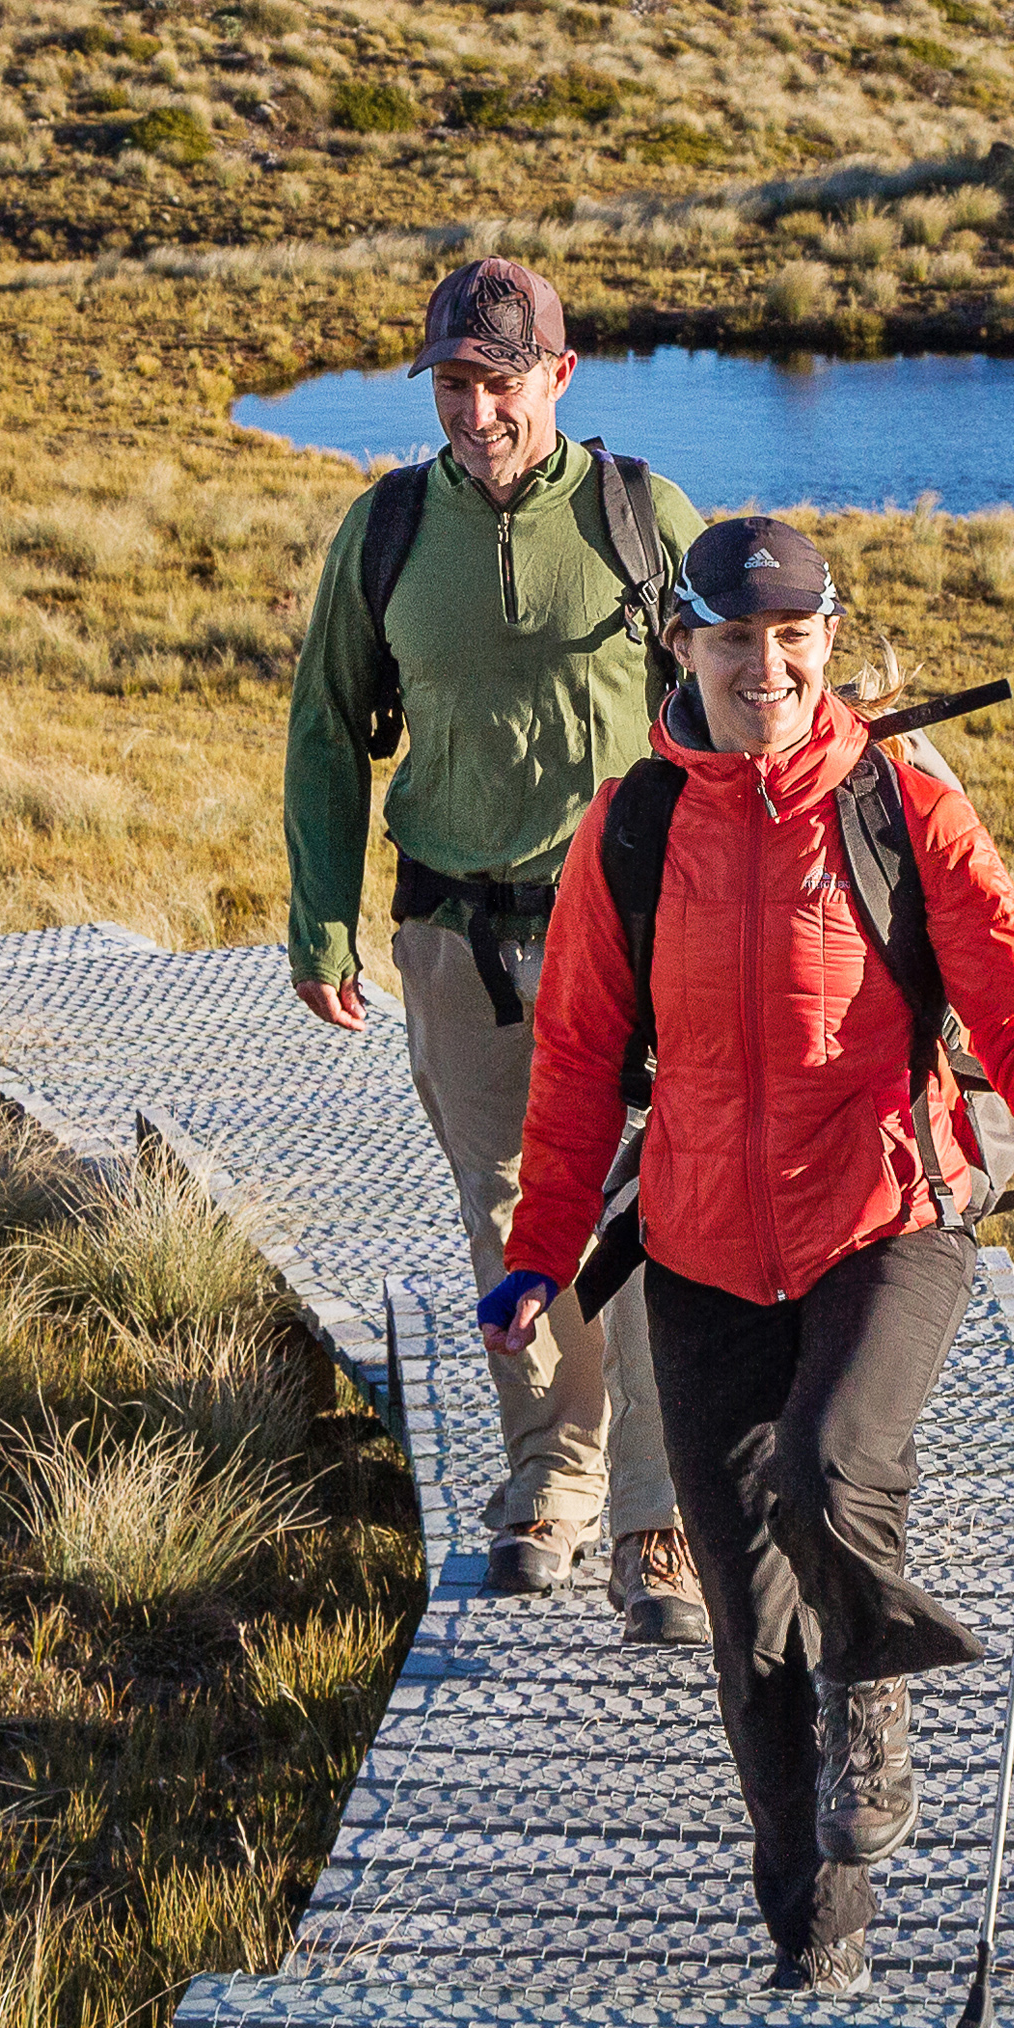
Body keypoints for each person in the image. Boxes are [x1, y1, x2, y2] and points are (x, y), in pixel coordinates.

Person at [486, 516, 1014, 1994]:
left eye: (792, 638)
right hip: (702, 1252)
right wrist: (538, 1251)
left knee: (831, 1473)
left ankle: (877, 1677)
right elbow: (579, 1059)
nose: (764, 667)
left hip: (886, 1219)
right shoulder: (631, 827)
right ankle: (815, 1936)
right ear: (685, 647)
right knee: (747, 1623)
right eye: (732, 640)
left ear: (827, 639)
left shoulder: (901, 805)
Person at [282, 256, 711, 1638]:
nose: (475, 411)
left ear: (560, 378)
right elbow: (327, 726)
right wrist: (322, 917)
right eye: (455, 384)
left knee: (641, 1220)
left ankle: (658, 1515)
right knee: (510, 1213)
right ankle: (550, 1482)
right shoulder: (390, 528)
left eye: (501, 381)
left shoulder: (647, 522)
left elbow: (748, 704)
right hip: (455, 940)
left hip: (631, 942)